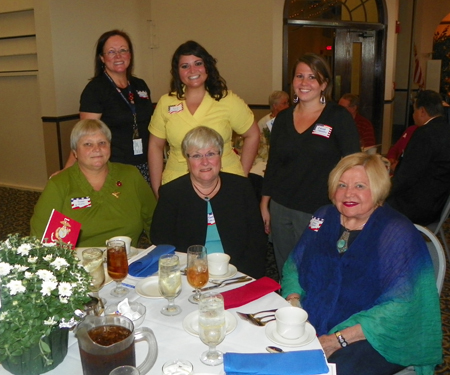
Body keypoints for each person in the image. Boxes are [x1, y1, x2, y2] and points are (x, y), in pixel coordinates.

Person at [282, 153, 442, 375]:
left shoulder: (396, 232)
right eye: (342, 185)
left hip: (373, 335)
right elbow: (294, 265)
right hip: (312, 320)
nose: (349, 193)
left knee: (326, 370)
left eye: (360, 186)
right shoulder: (323, 216)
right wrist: (294, 302)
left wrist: (337, 340)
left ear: (377, 189)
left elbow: (403, 306)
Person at [261, 53, 360, 275]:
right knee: (286, 270)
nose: (304, 83)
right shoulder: (283, 118)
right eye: (299, 76)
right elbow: (274, 163)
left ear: (324, 84)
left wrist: (346, 205)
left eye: (312, 77)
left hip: (319, 209)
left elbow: (353, 166)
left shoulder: (338, 117)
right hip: (281, 208)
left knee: (315, 270)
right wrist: (265, 203)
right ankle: (288, 309)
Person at [150, 126, 267, 278]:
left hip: (237, 273)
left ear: (220, 156)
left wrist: (242, 278)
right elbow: (162, 244)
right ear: (187, 159)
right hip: (189, 274)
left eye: (211, 154)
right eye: (196, 156)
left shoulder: (241, 188)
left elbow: (257, 243)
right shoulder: (171, 193)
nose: (205, 162)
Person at [148, 40, 260, 198]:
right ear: (177, 71)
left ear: (207, 66)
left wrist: (241, 174)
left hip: (224, 180)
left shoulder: (227, 100)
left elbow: (253, 134)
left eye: (198, 63)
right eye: (185, 66)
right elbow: (155, 146)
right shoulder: (166, 103)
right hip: (178, 182)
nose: (192, 70)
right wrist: (157, 188)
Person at [31, 119, 156, 247]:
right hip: (78, 263)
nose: (97, 149)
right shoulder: (59, 184)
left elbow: (155, 221)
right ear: (75, 152)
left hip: (126, 261)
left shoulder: (130, 176)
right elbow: (41, 238)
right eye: (88, 144)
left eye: (102, 143)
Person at [58, 30, 154, 183]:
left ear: (130, 54)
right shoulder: (95, 89)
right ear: (102, 58)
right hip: (113, 166)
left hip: (144, 164)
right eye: (111, 52)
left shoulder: (139, 85)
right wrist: (68, 170)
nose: (118, 56)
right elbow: (85, 134)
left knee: (145, 207)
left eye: (123, 50)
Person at [387, 89, 450, 225]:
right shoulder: (445, 129)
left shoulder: (424, 134)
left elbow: (406, 176)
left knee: (368, 205)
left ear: (422, 111)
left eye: (414, 110)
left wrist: (384, 192)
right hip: (437, 202)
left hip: (416, 207)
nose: (413, 114)